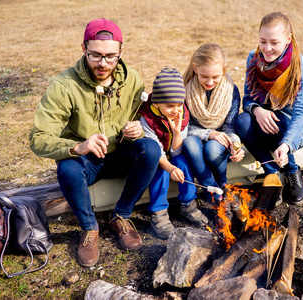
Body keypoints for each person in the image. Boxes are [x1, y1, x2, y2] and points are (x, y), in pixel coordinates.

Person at [29, 18, 160, 267]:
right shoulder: (65, 85)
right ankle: (89, 227)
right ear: (83, 49)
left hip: (120, 155)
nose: (103, 64)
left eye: (111, 56)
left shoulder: (132, 79)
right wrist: (76, 147)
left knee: (150, 149)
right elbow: (38, 139)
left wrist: (137, 131)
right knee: (67, 167)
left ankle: (121, 215)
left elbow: (142, 119)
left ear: (121, 51)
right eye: (95, 55)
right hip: (86, 162)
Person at [234, 12, 303, 206]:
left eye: (274, 43)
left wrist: (286, 145)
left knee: (281, 122)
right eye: (263, 41)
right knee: (241, 121)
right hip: (263, 119)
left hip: (291, 127)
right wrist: (257, 110)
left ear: (288, 39)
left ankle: (292, 171)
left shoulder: (301, 66)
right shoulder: (254, 59)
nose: (267, 49)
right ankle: (272, 173)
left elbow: (301, 113)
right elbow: (249, 99)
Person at [139, 67, 208, 239]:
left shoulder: (181, 113)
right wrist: (170, 169)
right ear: (156, 103)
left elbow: (176, 152)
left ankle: (188, 202)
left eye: (179, 104)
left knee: (183, 162)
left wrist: (177, 132)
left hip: (170, 153)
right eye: (169, 106)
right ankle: (159, 212)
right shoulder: (146, 118)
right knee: (160, 170)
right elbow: (157, 152)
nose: (176, 110)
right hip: (154, 156)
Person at [182, 43, 245, 203]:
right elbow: (184, 127)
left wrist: (236, 146)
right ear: (195, 68)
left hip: (219, 141)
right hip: (194, 137)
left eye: (215, 77)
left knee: (211, 148)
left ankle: (223, 184)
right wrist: (209, 133)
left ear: (225, 69)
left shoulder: (231, 90)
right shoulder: (185, 90)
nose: (209, 82)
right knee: (189, 143)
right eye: (204, 76)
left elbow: (230, 127)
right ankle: (209, 187)